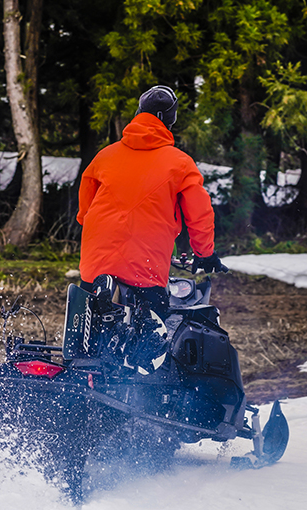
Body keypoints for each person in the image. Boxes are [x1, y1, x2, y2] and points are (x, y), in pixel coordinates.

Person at [76, 84, 228, 371]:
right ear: (170, 120)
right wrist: (204, 253)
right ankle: (135, 373)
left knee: (87, 332)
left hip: (96, 258)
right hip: (144, 260)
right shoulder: (180, 164)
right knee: (151, 337)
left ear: (138, 113)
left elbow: (85, 212)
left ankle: (95, 350)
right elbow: (200, 214)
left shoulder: (104, 156)